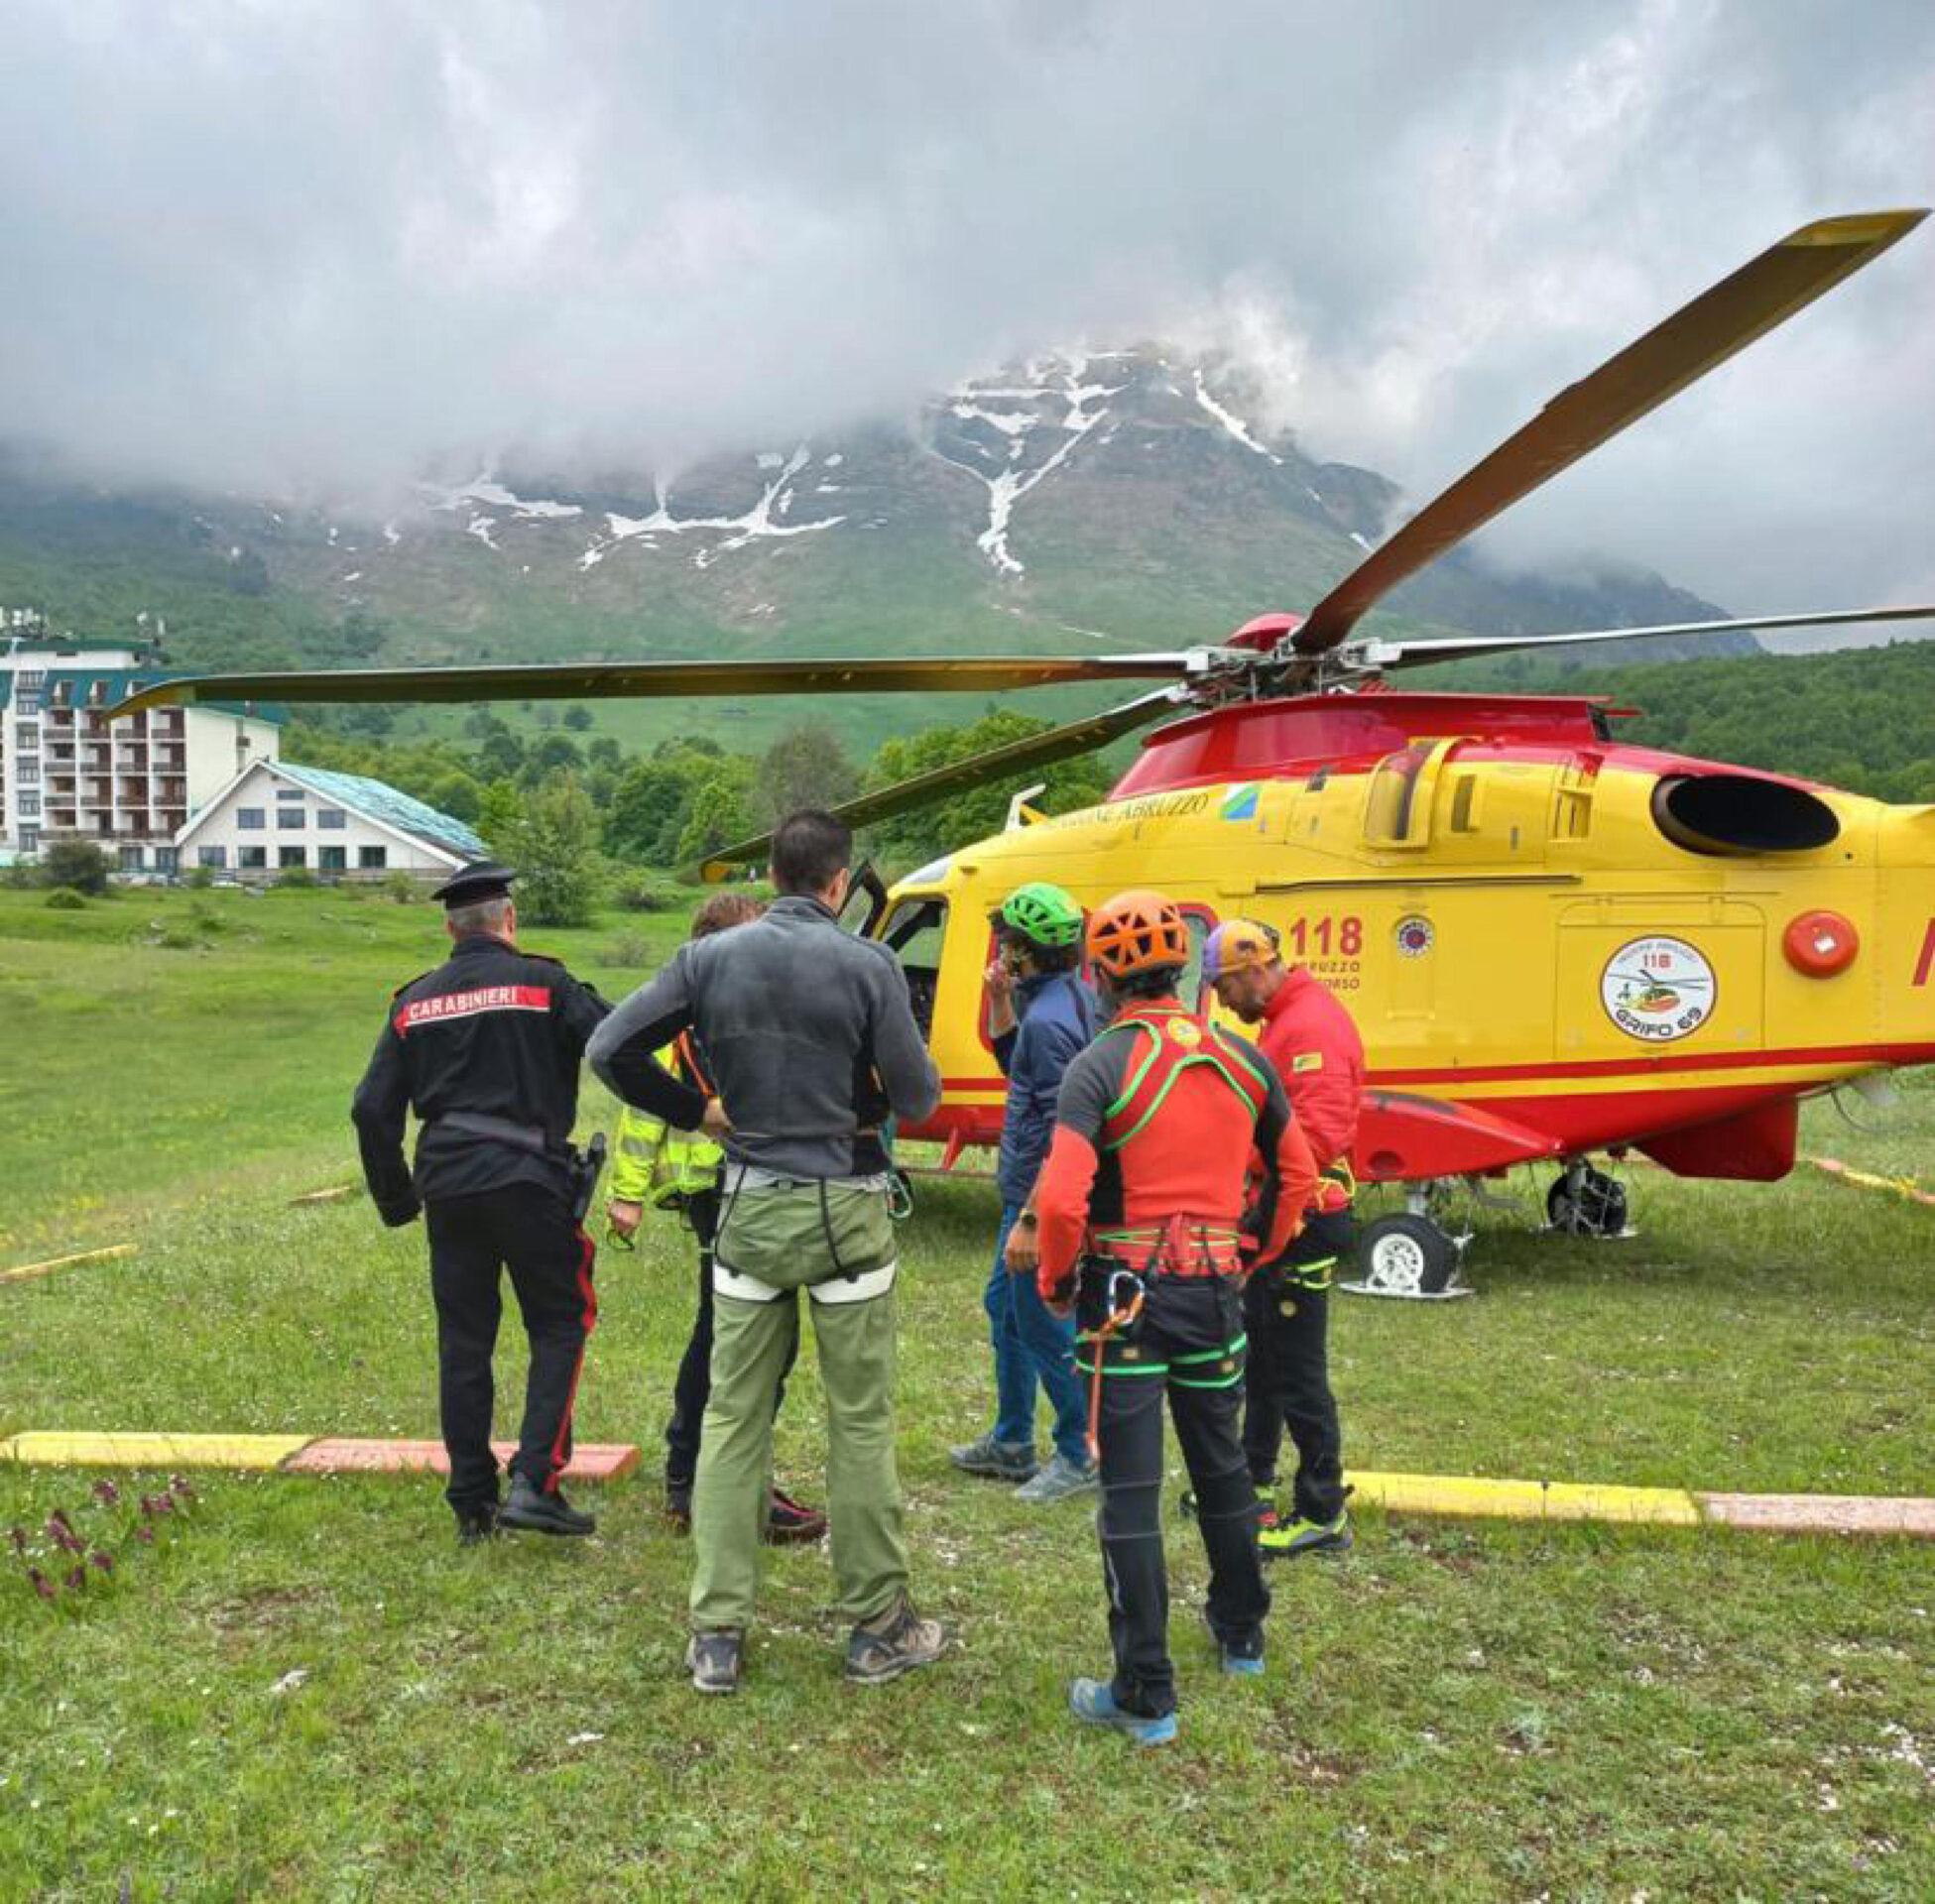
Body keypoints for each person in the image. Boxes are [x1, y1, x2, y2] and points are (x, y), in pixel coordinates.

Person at [588, 810, 946, 1696]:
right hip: (844, 1208)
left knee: (730, 1419)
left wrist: (695, 1110)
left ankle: (716, 1634)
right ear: (835, 883)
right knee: (858, 1419)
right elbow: (921, 1096)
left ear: (778, 876)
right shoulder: (869, 964)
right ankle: (877, 1626)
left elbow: (608, 1047)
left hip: (746, 1206)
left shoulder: (707, 959)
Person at [1032, 890, 1317, 1744]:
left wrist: (1053, 1280)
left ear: (1099, 975)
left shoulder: (1099, 1064)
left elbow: (1059, 1200)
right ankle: (1240, 1630)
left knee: (1130, 1491)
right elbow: (1297, 1176)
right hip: (1215, 1290)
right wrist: (1253, 1252)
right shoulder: (1243, 1059)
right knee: (1222, 1464)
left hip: (1122, 1300)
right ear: (1184, 967)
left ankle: (1144, 1690)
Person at [350, 861, 611, 1546]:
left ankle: (472, 1502)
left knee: (464, 1343)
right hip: (530, 1179)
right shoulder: (546, 982)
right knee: (560, 1321)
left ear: (449, 928)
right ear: (509, 922)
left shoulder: (413, 1002)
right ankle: (535, 1482)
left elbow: (370, 1109)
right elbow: (614, 1043)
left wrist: (397, 1199)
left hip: (448, 1187)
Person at [605, 892, 825, 1545]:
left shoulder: (712, 1014)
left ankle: (699, 1481)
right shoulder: (698, 1027)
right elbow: (642, 1110)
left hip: (745, 1188)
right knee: (746, 1342)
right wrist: (626, 1193)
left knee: (734, 1335)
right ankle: (716, 1486)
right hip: (728, 1190)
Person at [1205, 918, 1364, 1558]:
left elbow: (1317, 1138)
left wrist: (1243, 1166)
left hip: (1303, 1212)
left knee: (1298, 1371)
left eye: (1223, 986)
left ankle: (1321, 1510)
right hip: (1279, 1209)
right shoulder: (1285, 1020)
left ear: (1252, 969)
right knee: (1265, 1355)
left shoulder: (1311, 1027)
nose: (1221, 1002)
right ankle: (1254, 1478)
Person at [948, 882, 1100, 1502]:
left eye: (1008, 944)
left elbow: (1066, 1131)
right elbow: (1022, 1073)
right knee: (1004, 1310)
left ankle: (1079, 1453)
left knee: (1039, 1323)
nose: (1002, 952)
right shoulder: (1067, 1003)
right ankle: (1012, 1441)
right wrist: (999, 1004)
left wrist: (1033, 1218)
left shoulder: (1051, 1023)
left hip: (1038, 1196)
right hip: (1030, 1192)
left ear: (1025, 953)